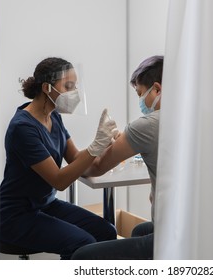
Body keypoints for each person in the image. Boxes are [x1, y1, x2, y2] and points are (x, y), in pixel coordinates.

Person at [0, 57, 118, 260]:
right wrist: (95, 146)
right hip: (17, 214)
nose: (75, 94)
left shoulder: (54, 116)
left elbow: (77, 160)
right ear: (47, 87)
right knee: (83, 244)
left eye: (75, 86)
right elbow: (59, 180)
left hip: (45, 205)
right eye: (69, 86)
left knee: (106, 232)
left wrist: (105, 145)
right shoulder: (22, 128)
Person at [71, 55, 163, 260]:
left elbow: (94, 168)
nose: (141, 101)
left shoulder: (147, 125)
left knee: (81, 257)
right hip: (204, 228)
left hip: (172, 234)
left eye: (140, 94)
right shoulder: (199, 115)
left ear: (157, 89)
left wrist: (99, 146)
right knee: (140, 230)